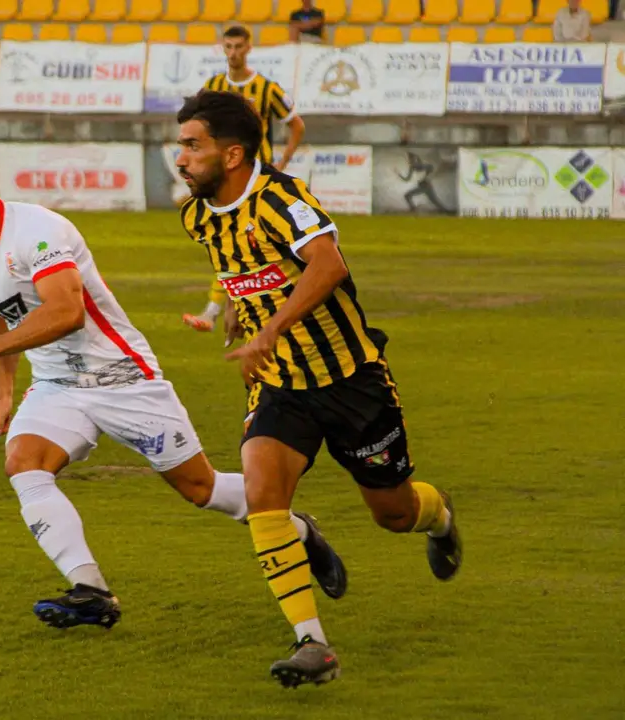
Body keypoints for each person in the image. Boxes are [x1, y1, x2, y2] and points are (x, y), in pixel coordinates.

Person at [0, 136, 347, 631]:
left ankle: (298, 531)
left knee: (200, 488)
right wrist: (3, 392)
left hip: (125, 379)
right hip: (58, 385)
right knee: (24, 464)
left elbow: (67, 313)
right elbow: (0, 316)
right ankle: (92, 591)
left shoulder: (38, 229)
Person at [175, 91, 462, 688]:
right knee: (262, 496)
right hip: (282, 387)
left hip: (353, 381)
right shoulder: (197, 216)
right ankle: (313, 645)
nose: (180, 157)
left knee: (393, 512)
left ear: (231, 155)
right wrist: (237, 309)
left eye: (191, 145)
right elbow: (242, 270)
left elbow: (327, 265)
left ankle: (438, 518)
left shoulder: (282, 198)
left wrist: (269, 328)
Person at [183, 25, 306, 335]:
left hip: (255, 181)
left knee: (251, 245)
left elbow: (296, 125)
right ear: (222, 49)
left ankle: (230, 310)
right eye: (228, 46)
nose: (233, 53)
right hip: (223, 182)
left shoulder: (266, 88)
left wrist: (283, 161)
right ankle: (226, 310)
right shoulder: (212, 87)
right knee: (228, 242)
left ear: (248, 48)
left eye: (239, 46)